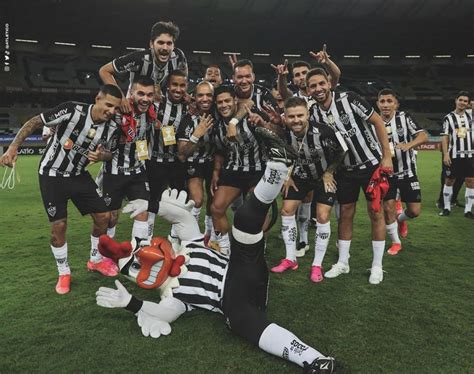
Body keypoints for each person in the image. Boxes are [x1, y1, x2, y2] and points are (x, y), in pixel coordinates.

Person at [95, 129, 335, 373]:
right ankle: (316, 360)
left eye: (137, 256)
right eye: (135, 266)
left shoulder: (189, 244)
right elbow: (163, 313)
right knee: (240, 323)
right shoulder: (172, 297)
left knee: (242, 221)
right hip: (235, 300)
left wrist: (149, 204)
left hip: (241, 268)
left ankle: (277, 166)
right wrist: (131, 303)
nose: (145, 262)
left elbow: (180, 217)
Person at [0, 85, 123, 294]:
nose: (112, 111)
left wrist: (103, 156)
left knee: (104, 217)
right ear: (98, 99)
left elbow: (110, 153)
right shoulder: (72, 110)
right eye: (109, 105)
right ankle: (64, 272)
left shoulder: (113, 127)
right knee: (59, 226)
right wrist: (12, 148)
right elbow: (34, 122)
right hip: (52, 174)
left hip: (79, 175)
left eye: (116, 108)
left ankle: (95, 259)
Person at [308, 68, 393, 285]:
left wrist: (386, 157)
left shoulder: (350, 99)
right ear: (308, 90)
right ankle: (343, 262)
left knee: (376, 212)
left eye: (321, 84)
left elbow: (378, 122)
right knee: (345, 214)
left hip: (370, 166)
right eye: (313, 86)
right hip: (344, 170)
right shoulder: (314, 113)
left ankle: (377, 265)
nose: (318, 89)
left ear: (328, 83)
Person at [270, 97, 346, 283]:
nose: (296, 120)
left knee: (322, 215)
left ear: (308, 115)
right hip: (301, 177)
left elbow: (342, 150)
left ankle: (316, 265)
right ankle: (290, 258)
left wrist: (329, 171)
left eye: (300, 115)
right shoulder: (284, 134)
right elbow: (284, 156)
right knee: (287, 210)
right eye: (292, 116)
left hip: (323, 178)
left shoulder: (324, 132)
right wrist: (287, 176)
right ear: (285, 118)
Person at [210, 86, 281, 255]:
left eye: (227, 100)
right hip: (233, 170)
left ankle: (257, 246)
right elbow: (220, 150)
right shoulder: (218, 125)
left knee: (255, 210)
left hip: (258, 170)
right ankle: (225, 249)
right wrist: (216, 171)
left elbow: (277, 135)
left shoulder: (251, 116)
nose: (223, 105)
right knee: (216, 208)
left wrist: (264, 124)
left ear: (235, 101)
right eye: (219, 102)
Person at [101, 77, 158, 242]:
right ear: (131, 94)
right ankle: (104, 254)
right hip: (114, 172)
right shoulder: (118, 111)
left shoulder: (150, 113)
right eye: (141, 94)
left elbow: (142, 139)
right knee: (110, 217)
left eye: (149, 95)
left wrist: (143, 158)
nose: (145, 99)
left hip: (137, 171)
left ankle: (137, 252)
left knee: (142, 211)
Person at [376, 89, 428, 255]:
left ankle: (401, 220)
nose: (385, 105)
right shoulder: (373, 121)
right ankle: (396, 242)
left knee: (414, 211)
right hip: (385, 174)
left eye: (389, 101)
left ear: (396, 104)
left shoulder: (404, 118)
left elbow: (423, 136)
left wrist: (408, 145)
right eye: (382, 101)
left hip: (407, 172)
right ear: (378, 104)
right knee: (388, 208)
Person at [99, 21, 187, 113]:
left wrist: (184, 93)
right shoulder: (139, 58)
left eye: (169, 43)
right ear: (151, 44)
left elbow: (183, 78)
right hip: (133, 106)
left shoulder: (178, 56)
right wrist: (120, 97)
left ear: (173, 46)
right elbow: (104, 71)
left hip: (159, 106)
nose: (165, 48)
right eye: (160, 42)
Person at [146, 70, 188, 239]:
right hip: (154, 161)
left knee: (179, 202)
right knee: (152, 201)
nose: (178, 89)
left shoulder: (189, 108)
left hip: (177, 163)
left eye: (182, 85)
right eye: (175, 85)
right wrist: (143, 159)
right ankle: (146, 238)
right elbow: (141, 135)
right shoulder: (154, 105)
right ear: (168, 86)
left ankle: (176, 237)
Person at [177, 81, 216, 242]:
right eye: (201, 95)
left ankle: (209, 234)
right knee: (197, 200)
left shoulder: (219, 113)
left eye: (208, 95)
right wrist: (197, 134)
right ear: (195, 97)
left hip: (214, 162)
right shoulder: (188, 119)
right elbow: (182, 154)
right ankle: (191, 237)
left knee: (214, 202)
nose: (205, 98)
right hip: (194, 163)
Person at [439, 91, 474, 218]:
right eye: (461, 100)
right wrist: (446, 154)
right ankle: (447, 207)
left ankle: (468, 210)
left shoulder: (471, 115)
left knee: (471, 181)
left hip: (470, 156)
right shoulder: (448, 117)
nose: (463, 103)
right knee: (449, 181)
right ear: (456, 100)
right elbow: (444, 137)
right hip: (454, 155)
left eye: (466, 101)